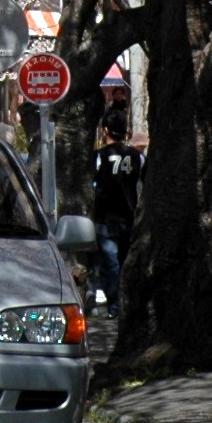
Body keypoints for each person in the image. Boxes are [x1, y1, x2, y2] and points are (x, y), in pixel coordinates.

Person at [91, 116, 140, 317]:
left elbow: (92, 181)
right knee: (124, 260)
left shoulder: (100, 156)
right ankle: (126, 302)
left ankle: (115, 304)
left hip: (105, 216)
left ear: (105, 130)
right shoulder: (137, 156)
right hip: (128, 215)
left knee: (110, 263)